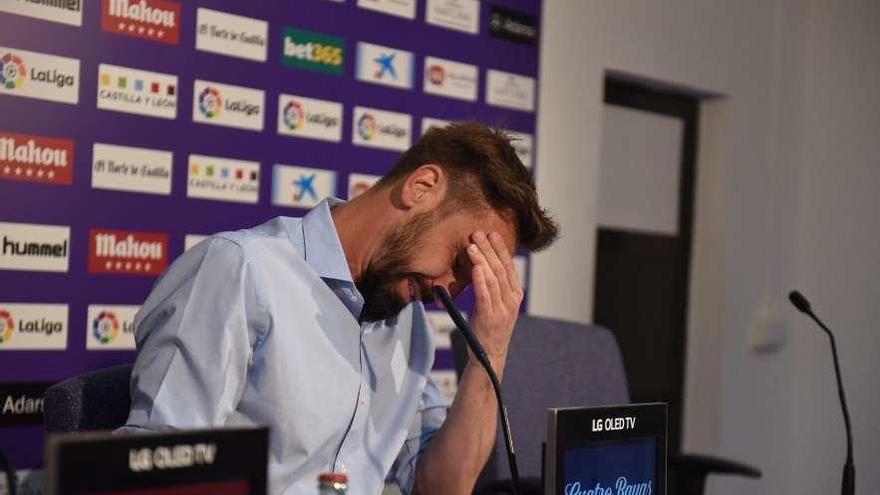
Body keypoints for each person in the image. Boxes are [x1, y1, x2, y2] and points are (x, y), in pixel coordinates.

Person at [118, 122, 559, 495]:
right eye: (461, 261)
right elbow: (158, 473)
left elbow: (439, 487)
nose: (450, 288)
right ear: (421, 187)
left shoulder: (409, 322)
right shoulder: (241, 270)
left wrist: (491, 352)